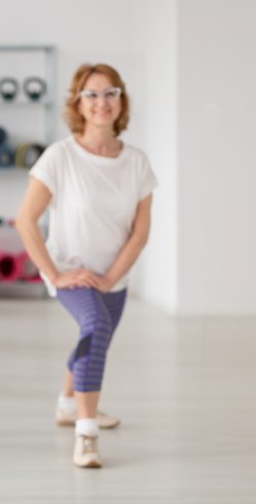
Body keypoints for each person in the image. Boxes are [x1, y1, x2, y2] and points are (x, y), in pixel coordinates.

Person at [16, 63, 156, 468]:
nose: (102, 102)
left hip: (115, 276)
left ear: (121, 100)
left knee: (94, 340)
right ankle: (86, 433)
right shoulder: (59, 157)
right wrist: (55, 273)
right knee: (94, 330)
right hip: (72, 274)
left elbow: (140, 233)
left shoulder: (137, 163)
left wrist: (112, 277)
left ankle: (66, 402)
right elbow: (25, 221)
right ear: (78, 103)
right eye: (92, 94)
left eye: (110, 93)